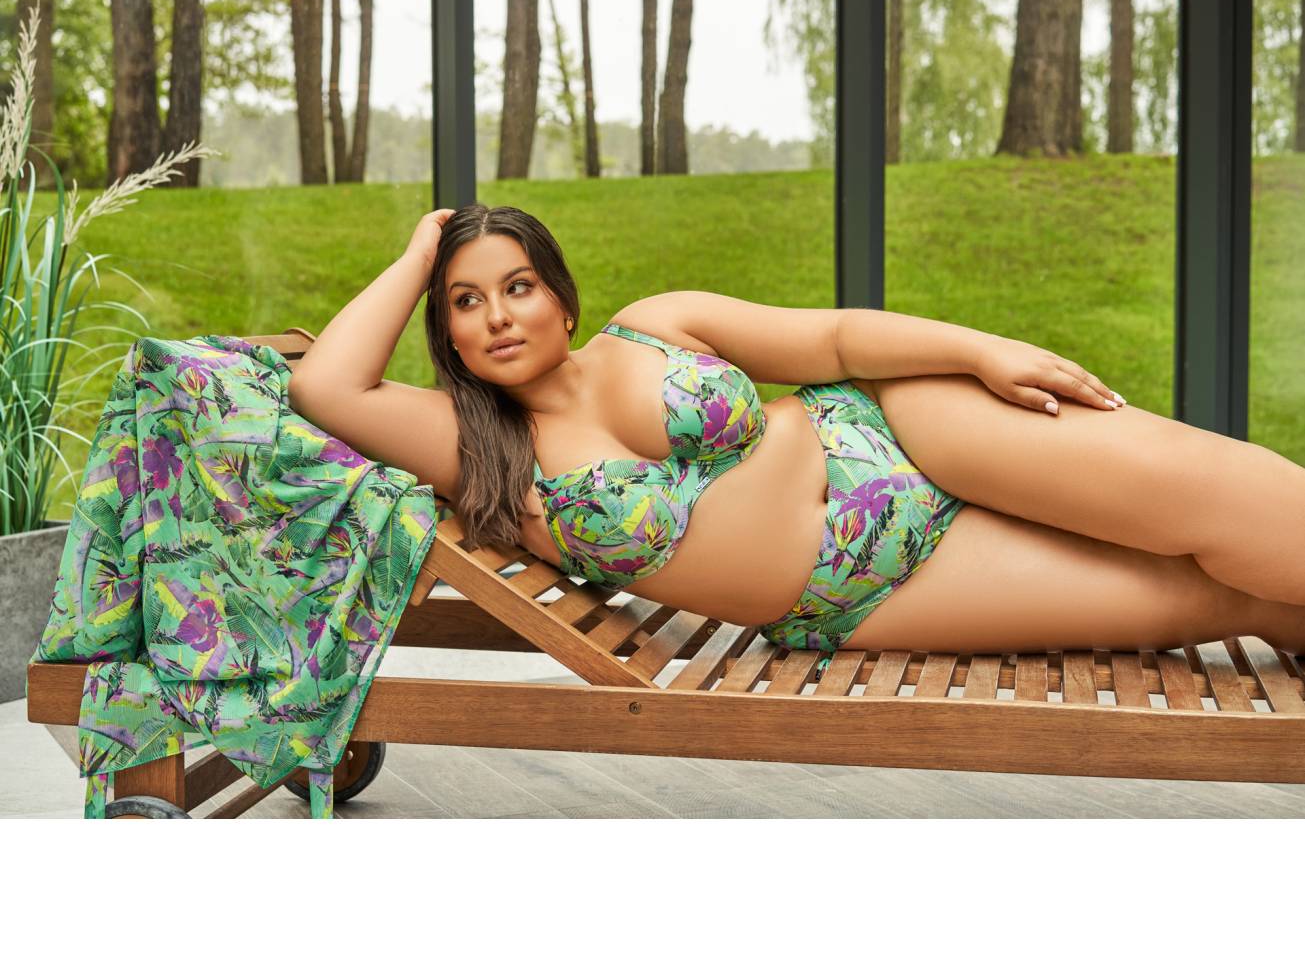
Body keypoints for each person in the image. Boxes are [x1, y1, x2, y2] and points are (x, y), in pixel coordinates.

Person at [287, 202, 1305, 663]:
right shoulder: (472, 446)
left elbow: (832, 338)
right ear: (447, 333)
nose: (499, 316)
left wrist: (983, 350)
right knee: (1222, 601)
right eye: (465, 302)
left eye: (516, 285)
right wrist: (423, 250)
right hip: (868, 591)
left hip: (903, 433)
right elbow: (327, 387)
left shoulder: (652, 323)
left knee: (1227, 498)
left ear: (559, 294)